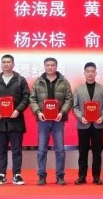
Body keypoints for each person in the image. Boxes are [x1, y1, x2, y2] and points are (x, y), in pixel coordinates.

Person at [0, 54, 30, 185]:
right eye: (3, 62)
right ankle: (2, 175)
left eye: (8, 62)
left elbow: (26, 97)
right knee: (1, 150)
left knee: (17, 150)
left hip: (16, 121)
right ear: (1, 64)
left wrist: (18, 110)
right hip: (0, 122)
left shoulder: (20, 80)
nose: (6, 64)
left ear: (13, 64)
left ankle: (17, 175)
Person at [29, 57, 73, 186]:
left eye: (52, 65)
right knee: (42, 149)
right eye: (47, 65)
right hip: (43, 120)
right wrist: (38, 112)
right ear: (44, 66)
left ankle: (60, 176)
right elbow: (32, 99)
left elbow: (69, 99)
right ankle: (41, 176)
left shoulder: (64, 82)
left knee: (60, 149)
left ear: (56, 66)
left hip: (58, 120)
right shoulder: (38, 82)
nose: (50, 67)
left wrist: (62, 112)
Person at [72, 62, 103, 185]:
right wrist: (80, 117)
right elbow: (75, 106)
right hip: (83, 125)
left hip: (98, 125)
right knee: (83, 152)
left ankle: (96, 177)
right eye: (88, 71)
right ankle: (82, 176)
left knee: (97, 152)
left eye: (92, 71)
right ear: (84, 73)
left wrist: (102, 117)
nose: (90, 74)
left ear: (96, 72)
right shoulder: (78, 89)